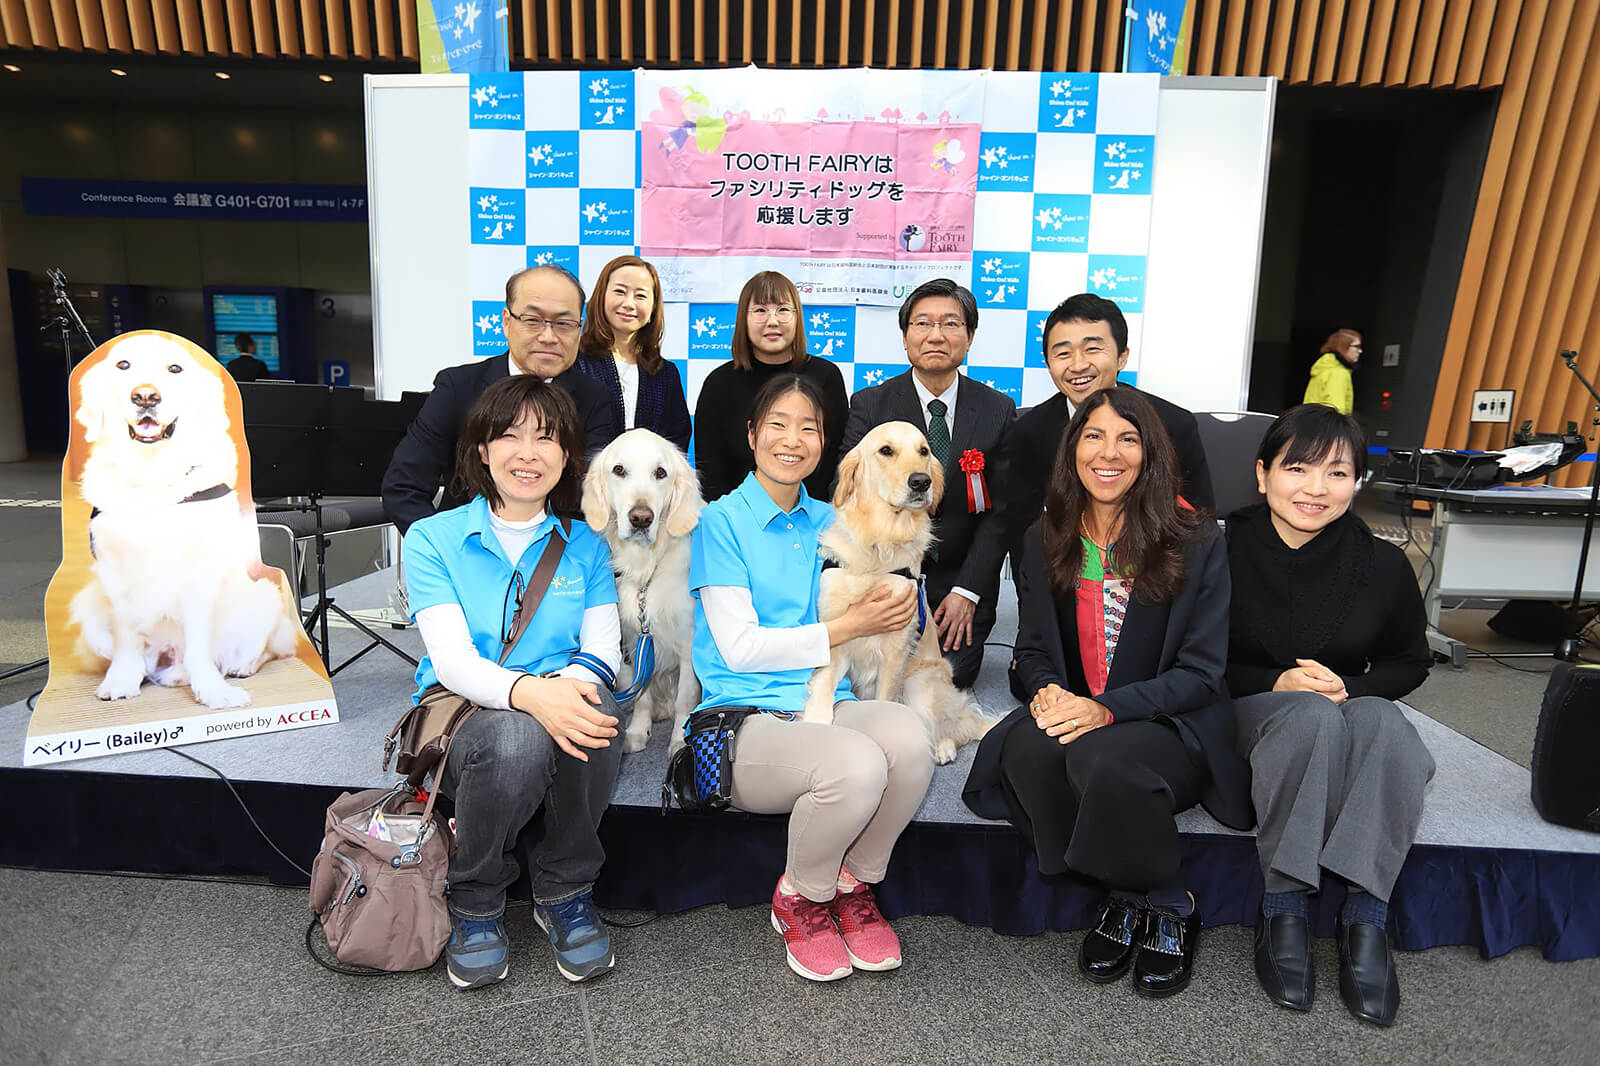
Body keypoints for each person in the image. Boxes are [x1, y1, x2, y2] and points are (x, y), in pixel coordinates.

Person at [963, 387, 1251, 1000]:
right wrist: (1045, 693)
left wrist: (1105, 709)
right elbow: (1034, 650)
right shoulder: (1045, 535)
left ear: (1150, 454)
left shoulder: (1193, 537)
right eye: (1093, 436)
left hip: (1170, 721)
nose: (1109, 453)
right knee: (1029, 751)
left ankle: (1170, 901)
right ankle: (1121, 891)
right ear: (1072, 450)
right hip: (1083, 710)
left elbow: (1202, 671)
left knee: (1101, 756)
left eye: (1128, 438)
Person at [690, 373, 935, 983]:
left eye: (809, 428)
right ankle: (801, 895)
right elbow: (741, 650)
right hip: (741, 719)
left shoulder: (835, 518)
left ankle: (852, 884)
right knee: (858, 764)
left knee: (909, 739)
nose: (793, 440)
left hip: (827, 699)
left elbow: (900, 587)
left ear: (827, 444)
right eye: (777, 425)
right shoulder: (719, 523)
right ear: (751, 436)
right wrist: (848, 625)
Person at [402, 374, 626, 991]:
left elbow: (602, 648)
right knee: (518, 739)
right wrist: (534, 697)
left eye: (547, 438)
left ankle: (567, 888)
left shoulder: (584, 543)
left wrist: (563, 690)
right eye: (510, 436)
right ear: (481, 448)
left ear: (567, 455)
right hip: (467, 706)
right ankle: (475, 898)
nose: (529, 453)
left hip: (563, 685)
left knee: (599, 710)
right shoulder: (433, 538)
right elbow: (451, 662)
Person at [1225, 403, 1432, 1027]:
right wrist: (1276, 681)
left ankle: (1366, 919)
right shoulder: (1213, 547)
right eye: (1298, 469)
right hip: (1237, 706)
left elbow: (1410, 661)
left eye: (1338, 473)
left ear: (1358, 484)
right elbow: (1186, 658)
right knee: (1307, 718)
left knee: (1387, 725)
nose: (1316, 489)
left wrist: (1352, 683)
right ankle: (1283, 907)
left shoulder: (1384, 564)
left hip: (1336, 705)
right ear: (1262, 474)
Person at [838, 277, 1015, 688]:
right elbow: (848, 492)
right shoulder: (870, 404)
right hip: (881, 577)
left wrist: (967, 591)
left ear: (969, 338)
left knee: (946, 680)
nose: (936, 335)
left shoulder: (997, 410)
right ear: (905, 337)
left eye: (951, 324)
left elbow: (1001, 515)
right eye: (922, 324)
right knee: (863, 677)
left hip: (955, 587)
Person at [382, 265, 617, 534]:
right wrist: (444, 553)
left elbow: (593, 495)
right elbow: (403, 488)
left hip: (556, 560)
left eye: (564, 324)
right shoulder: (458, 387)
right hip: (465, 551)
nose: (549, 337)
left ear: (579, 328)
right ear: (506, 321)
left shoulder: (594, 397)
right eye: (532, 320)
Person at [692, 270, 849, 502]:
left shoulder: (826, 376)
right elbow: (710, 471)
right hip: (736, 521)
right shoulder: (719, 383)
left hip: (814, 519)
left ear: (798, 317)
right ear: (743, 318)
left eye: (783, 310)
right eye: (760, 311)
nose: (772, 321)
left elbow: (837, 461)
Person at [574, 255, 692, 452]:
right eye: (620, 292)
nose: (629, 304)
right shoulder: (575, 363)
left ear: (654, 307)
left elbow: (677, 441)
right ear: (601, 296)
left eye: (641, 296)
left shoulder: (666, 373)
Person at [1303, 329, 1362, 414]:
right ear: (1343, 347)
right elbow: (1336, 412)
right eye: (1357, 346)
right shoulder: (1338, 373)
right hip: (1326, 426)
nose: (1360, 351)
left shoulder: (1323, 368)